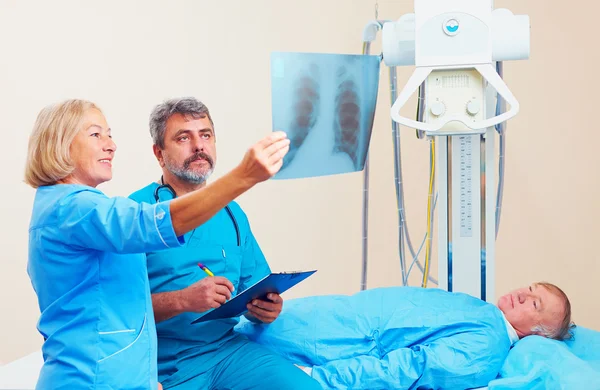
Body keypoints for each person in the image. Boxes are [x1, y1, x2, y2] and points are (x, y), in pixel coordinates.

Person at [24, 99, 289, 390]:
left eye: (109, 134)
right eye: (96, 134)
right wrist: (244, 176)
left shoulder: (76, 207)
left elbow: (120, 305)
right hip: (101, 377)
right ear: (59, 144)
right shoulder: (78, 208)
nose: (111, 145)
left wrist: (145, 380)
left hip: (144, 371)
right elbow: (154, 224)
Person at [128, 97, 322, 390]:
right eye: (184, 137)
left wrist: (263, 308)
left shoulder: (231, 213)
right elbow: (117, 309)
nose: (198, 146)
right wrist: (183, 300)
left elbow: (252, 286)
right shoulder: (136, 214)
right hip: (165, 363)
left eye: (205, 135)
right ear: (159, 153)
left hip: (226, 351)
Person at [235, 282, 575, 390]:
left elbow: (406, 369)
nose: (522, 294)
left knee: (226, 352)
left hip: (333, 343)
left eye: (534, 302)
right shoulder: (483, 311)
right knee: (231, 331)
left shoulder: (485, 349)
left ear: (538, 333)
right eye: (529, 288)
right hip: (335, 317)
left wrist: (318, 379)